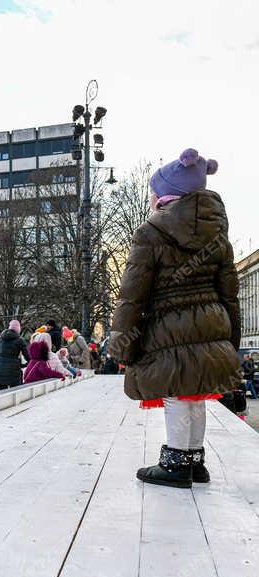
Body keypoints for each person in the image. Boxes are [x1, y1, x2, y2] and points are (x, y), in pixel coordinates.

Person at [111, 148, 240, 489]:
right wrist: (231, 339)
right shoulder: (219, 236)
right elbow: (229, 293)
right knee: (195, 394)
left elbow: (132, 294)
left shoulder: (151, 232)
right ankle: (195, 460)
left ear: (164, 197)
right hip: (213, 324)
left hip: (169, 327)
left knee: (177, 394)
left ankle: (176, 465)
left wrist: (122, 340)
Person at [0, 319, 29, 389]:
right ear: (18, 329)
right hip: (14, 373)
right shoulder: (20, 340)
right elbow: (28, 357)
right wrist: (22, 365)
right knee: (15, 393)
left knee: (3, 395)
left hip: (0, 373)